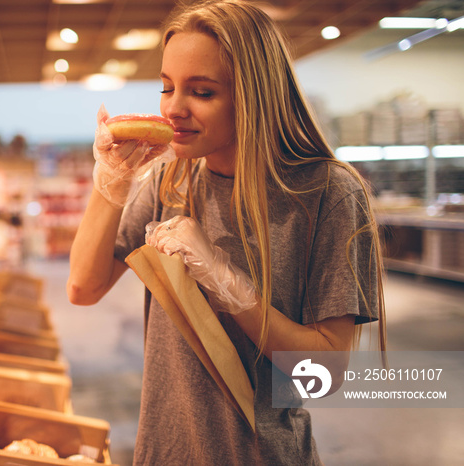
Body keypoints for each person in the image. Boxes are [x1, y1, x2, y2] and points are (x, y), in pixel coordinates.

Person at [67, 1, 386, 464]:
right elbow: (82, 286)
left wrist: (228, 284)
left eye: (201, 91)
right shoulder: (167, 178)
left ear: (253, 95)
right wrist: (111, 184)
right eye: (166, 87)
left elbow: (323, 372)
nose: (173, 109)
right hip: (162, 451)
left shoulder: (327, 193)